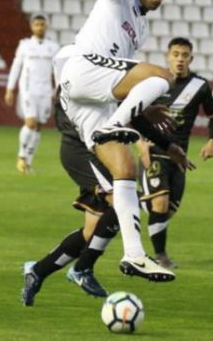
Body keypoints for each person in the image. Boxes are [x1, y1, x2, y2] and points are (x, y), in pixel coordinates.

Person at [21, 45, 191, 305]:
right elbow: (99, 121)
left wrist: (167, 145)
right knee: (123, 199)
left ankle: (37, 271)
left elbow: (128, 114)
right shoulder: (72, 91)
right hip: (81, 152)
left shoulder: (94, 85)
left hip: (92, 151)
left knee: (92, 231)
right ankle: (82, 269)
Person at [58, 0, 184, 282]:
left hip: (87, 101)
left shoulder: (140, 27)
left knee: (125, 168)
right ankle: (115, 124)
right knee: (164, 75)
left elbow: (124, 77)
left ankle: (134, 255)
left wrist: (146, 111)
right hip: (81, 69)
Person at [137, 37, 213, 268]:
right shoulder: (155, 82)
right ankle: (160, 256)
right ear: (168, 57)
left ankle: (128, 203)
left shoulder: (200, 86)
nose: (180, 59)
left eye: (184, 55)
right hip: (154, 150)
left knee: (167, 211)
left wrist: (212, 141)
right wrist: (140, 143)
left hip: (179, 156)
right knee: (161, 202)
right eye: (175, 54)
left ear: (191, 59)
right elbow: (134, 113)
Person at [5, 13, 60, 174]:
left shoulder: (53, 47)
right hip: (28, 90)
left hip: (45, 91)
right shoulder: (25, 45)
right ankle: (21, 156)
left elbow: (57, 71)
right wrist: (10, 88)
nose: (39, 27)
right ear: (31, 27)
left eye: (42, 25)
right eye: (36, 25)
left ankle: (27, 162)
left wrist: (57, 90)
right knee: (30, 123)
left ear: (46, 26)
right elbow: (16, 66)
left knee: (38, 127)